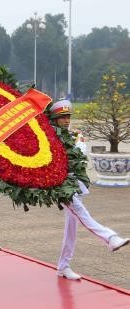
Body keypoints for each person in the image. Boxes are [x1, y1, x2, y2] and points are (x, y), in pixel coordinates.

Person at [48, 100, 129, 280]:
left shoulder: (73, 136)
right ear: (54, 119)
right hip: (60, 184)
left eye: (68, 116)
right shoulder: (49, 137)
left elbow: (79, 158)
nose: (67, 120)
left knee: (72, 227)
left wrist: (78, 142)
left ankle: (63, 266)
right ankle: (110, 238)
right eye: (62, 117)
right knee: (81, 213)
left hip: (74, 182)